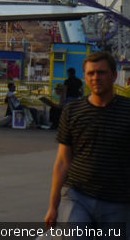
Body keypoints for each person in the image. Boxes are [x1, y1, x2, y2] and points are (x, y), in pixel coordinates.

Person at [45, 51, 130, 229]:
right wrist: (53, 206)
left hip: (118, 201)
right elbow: (62, 161)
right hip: (78, 196)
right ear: (84, 77)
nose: (96, 78)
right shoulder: (72, 111)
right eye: (91, 73)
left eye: (101, 72)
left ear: (114, 76)